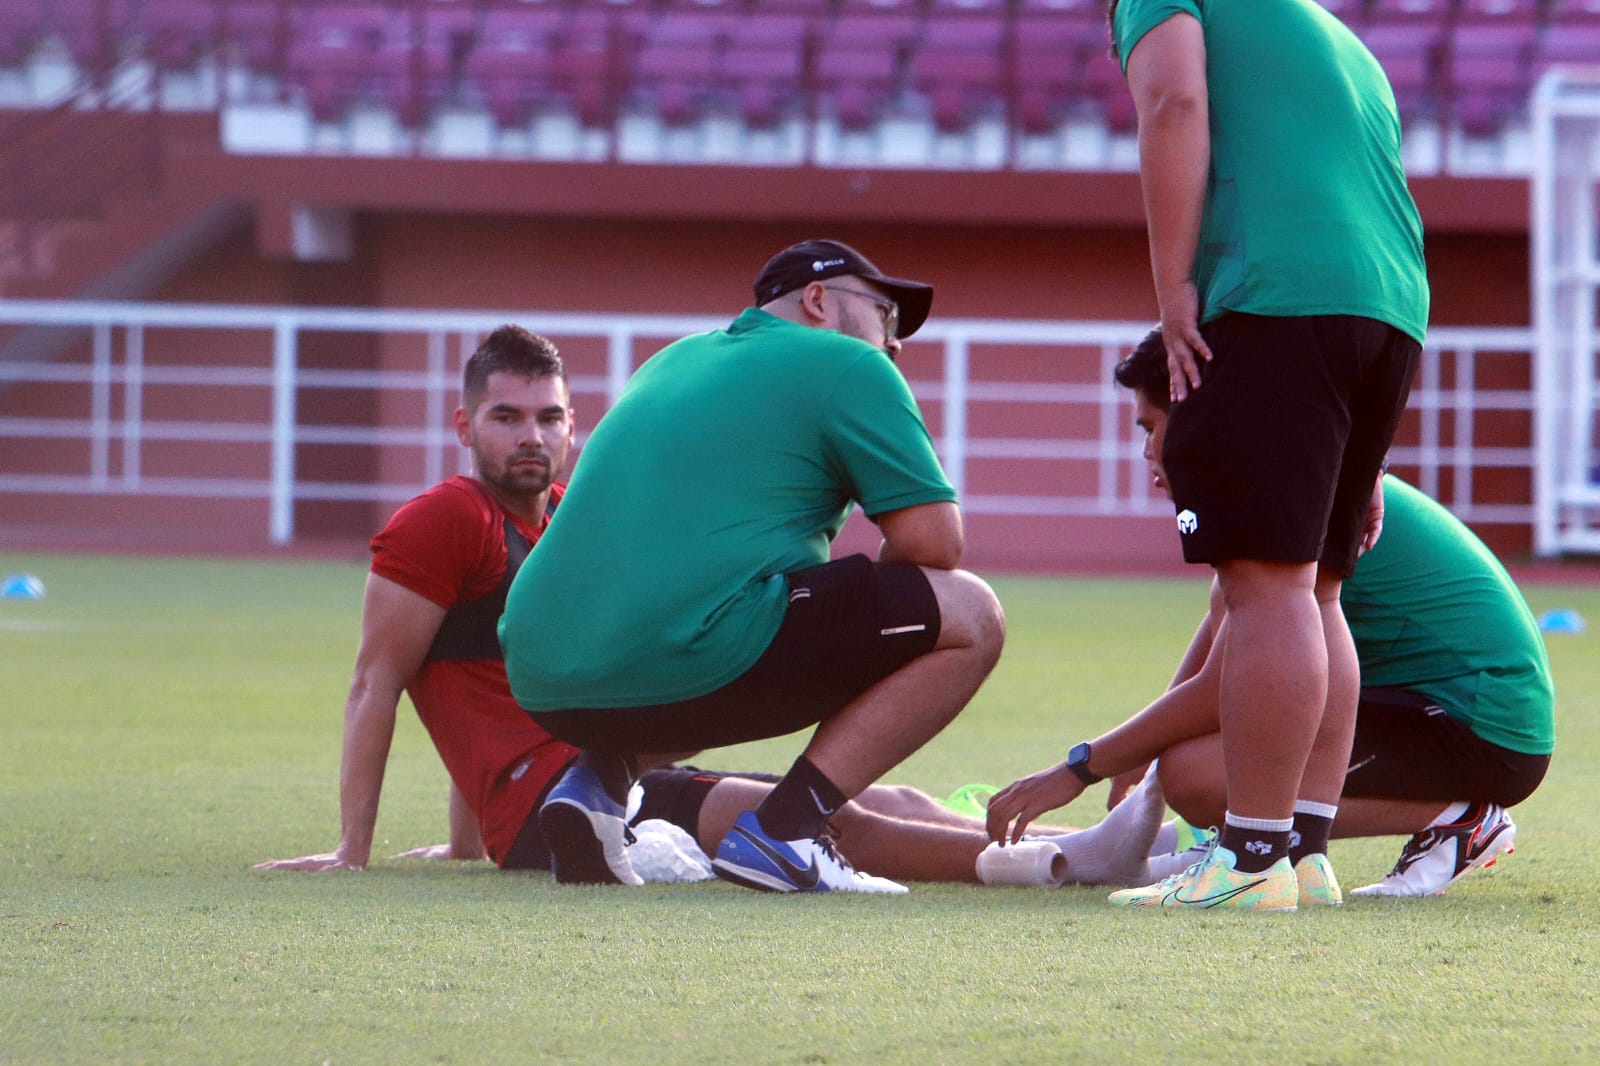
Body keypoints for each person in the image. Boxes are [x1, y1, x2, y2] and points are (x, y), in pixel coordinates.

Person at [255, 324, 1078, 887]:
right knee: (810, 826)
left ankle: (1075, 842)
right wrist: (351, 852)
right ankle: (1049, 866)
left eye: (548, 417)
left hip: (621, 757)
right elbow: (379, 680)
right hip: (557, 804)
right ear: (464, 424)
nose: (530, 437)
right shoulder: (444, 518)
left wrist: (466, 840)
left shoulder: (577, 527)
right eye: (506, 418)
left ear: (576, 427)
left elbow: (483, 679)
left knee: (875, 801)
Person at [499, 239, 1008, 894]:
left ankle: (594, 785)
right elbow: (935, 547)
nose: (896, 340)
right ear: (820, 301)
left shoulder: (671, 359)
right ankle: (789, 830)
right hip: (688, 646)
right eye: (884, 312)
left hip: (542, 676)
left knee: (704, 617)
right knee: (969, 613)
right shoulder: (850, 364)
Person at [986, 330, 1555, 902]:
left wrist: (1080, 767)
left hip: (1479, 726)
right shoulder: (1278, 481)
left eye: (1151, 427)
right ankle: (1289, 853)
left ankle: (1459, 816)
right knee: (1207, 747)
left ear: (1199, 415)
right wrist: (1136, 766)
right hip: (1454, 709)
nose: (1146, 451)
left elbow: (1217, 690)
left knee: (1199, 776)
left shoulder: (1280, 495)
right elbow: (1223, 652)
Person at [1103, 0, 1432, 909]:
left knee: (1268, 585)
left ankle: (1248, 863)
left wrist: (1174, 288)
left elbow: (1173, 103)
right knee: (1319, 584)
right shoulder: (1335, 32)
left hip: (1278, 296)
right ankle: (1303, 851)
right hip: (1389, 307)